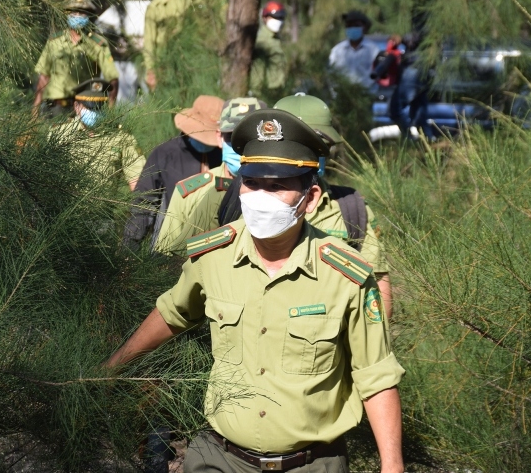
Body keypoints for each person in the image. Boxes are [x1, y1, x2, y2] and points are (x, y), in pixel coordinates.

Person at [106, 108, 406, 473]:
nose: (260, 197)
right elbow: (172, 312)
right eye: (252, 183)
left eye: (277, 185)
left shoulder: (346, 276)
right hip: (222, 470)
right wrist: (114, 366)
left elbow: (376, 376)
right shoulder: (213, 255)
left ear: (310, 197)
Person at [166, 94, 394, 317]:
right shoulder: (227, 198)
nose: (310, 153)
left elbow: (377, 288)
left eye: (318, 144)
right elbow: (177, 279)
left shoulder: (350, 207)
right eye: (301, 143)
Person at [154, 97, 268, 255]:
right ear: (219, 137)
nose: (241, 148)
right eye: (233, 138)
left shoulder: (283, 195)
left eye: (250, 139)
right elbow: (166, 260)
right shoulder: (190, 193)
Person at [122, 95, 224, 251]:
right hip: (171, 245)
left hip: (217, 243)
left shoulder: (226, 157)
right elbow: (143, 202)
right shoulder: (166, 154)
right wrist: (130, 248)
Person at [48, 79, 146, 191]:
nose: (95, 112)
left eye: (99, 107)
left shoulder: (121, 137)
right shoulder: (59, 134)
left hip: (106, 207)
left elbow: (138, 183)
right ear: (77, 106)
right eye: (90, 107)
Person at [33, 0, 119, 119]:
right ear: (67, 14)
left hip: (86, 108)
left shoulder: (98, 44)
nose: (78, 15)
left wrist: (111, 112)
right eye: (74, 12)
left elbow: (113, 79)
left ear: (89, 15)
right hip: (55, 108)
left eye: (82, 12)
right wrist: (34, 111)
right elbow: (43, 76)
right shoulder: (54, 41)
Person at [143, 0, 192, 92]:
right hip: (163, 65)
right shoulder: (155, 6)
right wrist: (151, 70)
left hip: (189, 63)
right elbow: (149, 42)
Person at [328, 10, 380, 89]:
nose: (352, 28)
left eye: (356, 25)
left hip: (366, 93)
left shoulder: (373, 50)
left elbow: (376, 74)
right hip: (341, 93)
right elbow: (331, 73)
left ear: (364, 28)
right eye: (349, 26)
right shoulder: (337, 50)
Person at [248, 1, 287, 97]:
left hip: (279, 92)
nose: (278, 21)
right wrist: (256, 94)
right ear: (265, 18)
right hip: (266, 93)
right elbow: (258, 70)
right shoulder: (262, 40)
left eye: (280, 18)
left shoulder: (278, 40)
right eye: (274, 17)